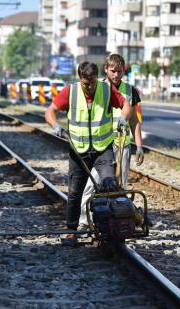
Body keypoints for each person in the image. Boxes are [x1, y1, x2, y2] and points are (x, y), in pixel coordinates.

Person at [45, 61, 131, 246]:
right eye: (86, 83)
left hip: (103, 149)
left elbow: (126, 105)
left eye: (92, 82)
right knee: (75, 192)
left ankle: (110, 227)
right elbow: (50, 111)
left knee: (109, 186)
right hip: (79, 151)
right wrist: (55, 125)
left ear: (96, 77)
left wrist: (123, 118)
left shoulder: (106, 90)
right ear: (80, 79)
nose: (90, 87)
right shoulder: (70, 91)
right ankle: (71, 230)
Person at [78, 54, 145, 229]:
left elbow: (134, 121)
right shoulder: (98, 87)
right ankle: (84, 222)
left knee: (120, 187)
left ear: (124, 71)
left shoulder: (130, 91)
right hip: (102, 145)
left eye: (120, 71)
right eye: (113, 71)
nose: (116, 75)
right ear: (106, 69)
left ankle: (116, 222)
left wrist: (139, 146)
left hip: (122, 144)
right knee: (93, 183)